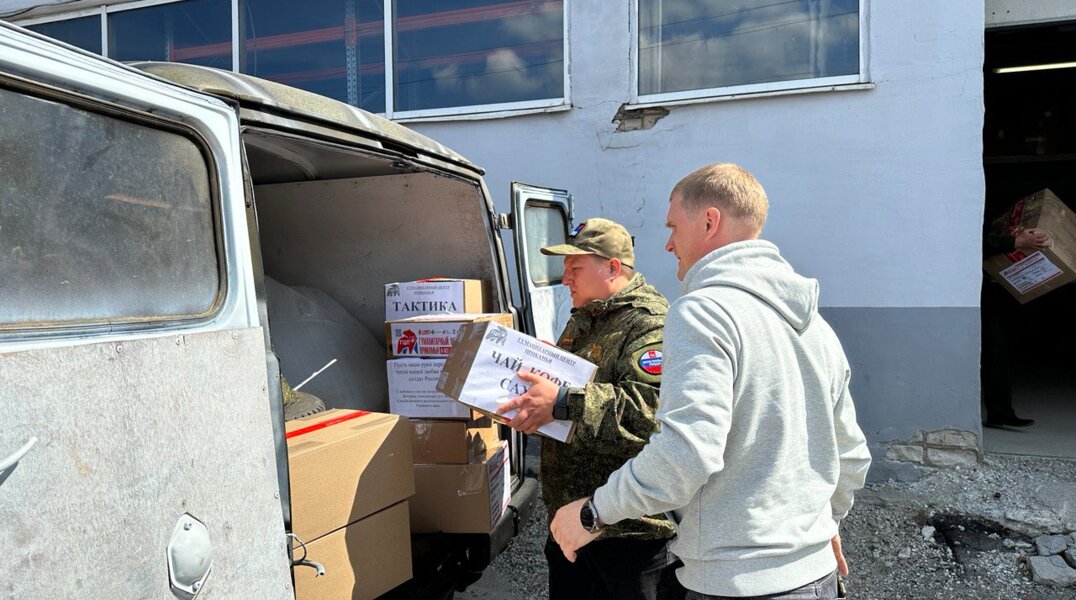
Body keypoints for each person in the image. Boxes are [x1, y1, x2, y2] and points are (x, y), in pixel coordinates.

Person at [550, 164, 872, 600]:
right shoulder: (814, 325)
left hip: (733, 583)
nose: (667, 244)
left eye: (673, 227)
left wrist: (592, 513)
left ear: (709, 221)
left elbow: (686, 455)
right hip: (816, 576)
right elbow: (850, 455)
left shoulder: (702, 313)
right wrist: (825, 526)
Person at [496, 217, 674, 600]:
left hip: (627, 536)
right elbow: (575, 401)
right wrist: (537, 403)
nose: (565, 279)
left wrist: (561, 401)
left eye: (575, 268)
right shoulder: (586, 317)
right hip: (571, 523)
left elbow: (649, 413)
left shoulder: (649, 322)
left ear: (612, 267)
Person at [981, 223, 1048, 428]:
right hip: (965, 294)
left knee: (998, 350)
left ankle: (1000, 412)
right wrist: (1014, 242)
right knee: (992, 349)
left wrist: (1010, 237)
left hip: (992, 292)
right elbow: (970, 243)